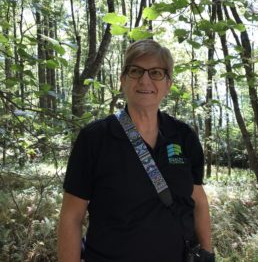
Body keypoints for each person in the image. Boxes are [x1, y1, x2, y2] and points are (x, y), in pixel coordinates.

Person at [58, 39, 215, 262]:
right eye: (135, 71)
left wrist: (207, 254)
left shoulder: (183, 136)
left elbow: (198, 200)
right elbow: (71, 217)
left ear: (168, 83)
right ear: (123, 80)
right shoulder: (95, 138)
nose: (145, 80)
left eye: (156, 73)